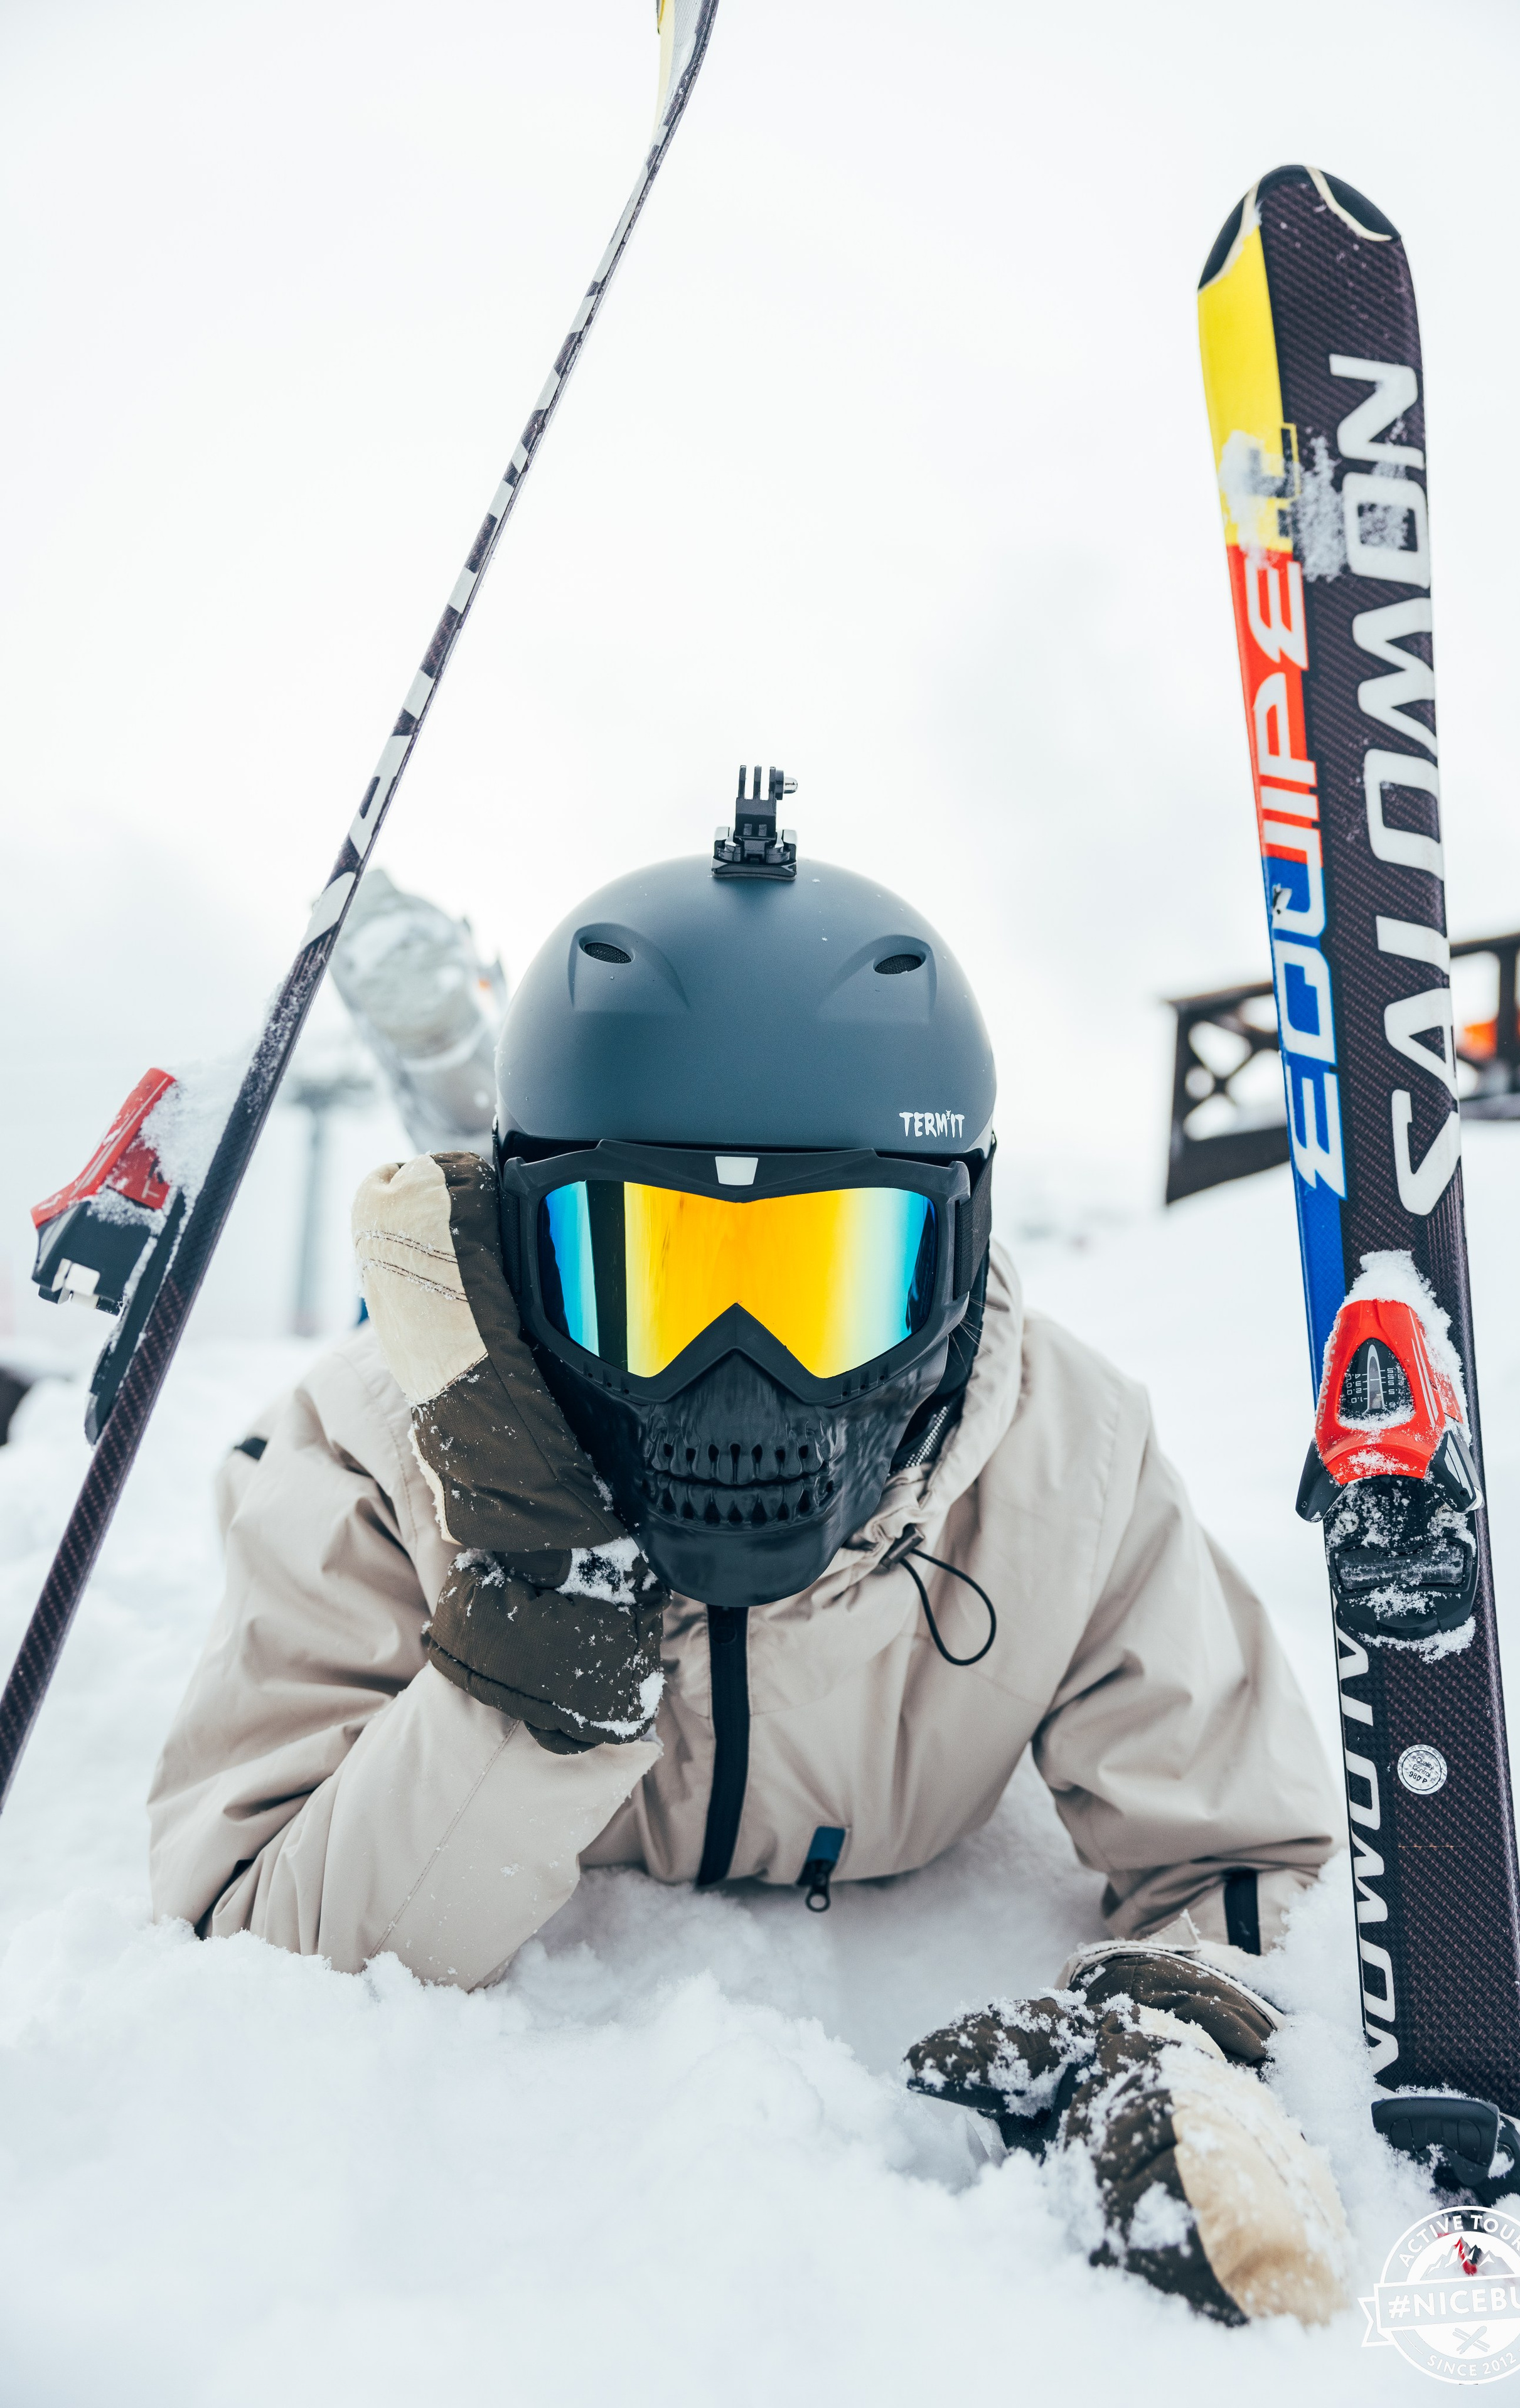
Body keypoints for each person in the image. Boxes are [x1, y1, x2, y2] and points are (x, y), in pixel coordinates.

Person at [149, 806, 1347, 2324]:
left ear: (953, 1268)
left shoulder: (1062, 1460)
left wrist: (1191, 2030)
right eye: (648, 1279)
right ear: (527, 1263)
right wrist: (538, 1629)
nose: (741, 1387)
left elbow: (1244, 1852)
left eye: (823, 1282)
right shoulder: (371, 1455)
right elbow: (254, 1962)